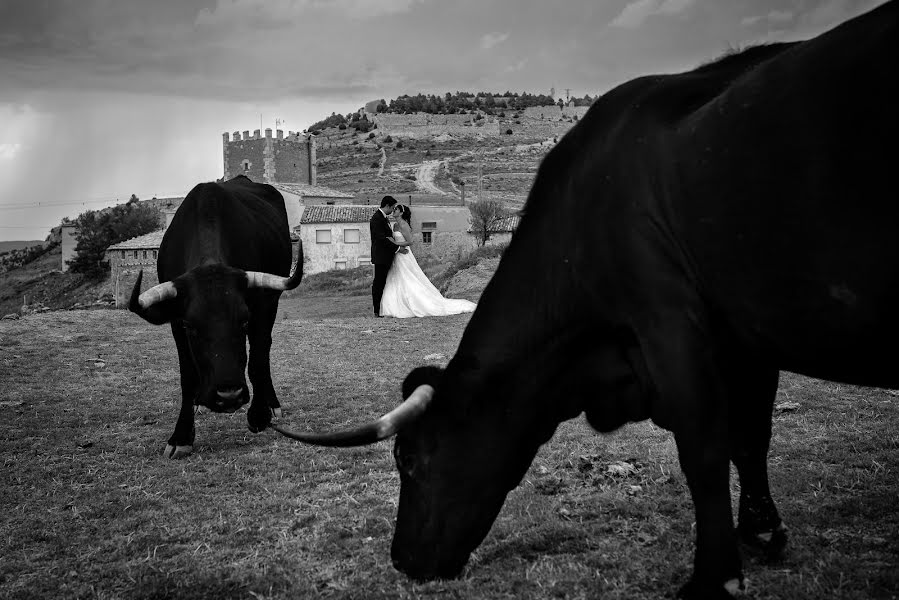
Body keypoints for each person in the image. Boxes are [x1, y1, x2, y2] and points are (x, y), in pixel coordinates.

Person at [379, 204, 477, 318]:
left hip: (404, 254)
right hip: (397, 254)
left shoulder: (404, 225)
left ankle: (413, 303)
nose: (394, 211)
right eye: (394, 209)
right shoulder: (395, 225)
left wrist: (395, 244)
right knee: (394, 278)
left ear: (401, 213)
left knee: (408, 277)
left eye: (396, 209)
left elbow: (410, 241)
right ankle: (393, 305)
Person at [370, 195, 405, 317]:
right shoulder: (377, 219)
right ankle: (376, 310)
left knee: (383, 282)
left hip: (385, 256)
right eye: (393, 207)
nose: (393, 210)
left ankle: (381, 309)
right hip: (381, 256)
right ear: (387, 206)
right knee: (379, 283)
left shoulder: (383, 218)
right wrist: (398, 248)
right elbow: (381, 239)